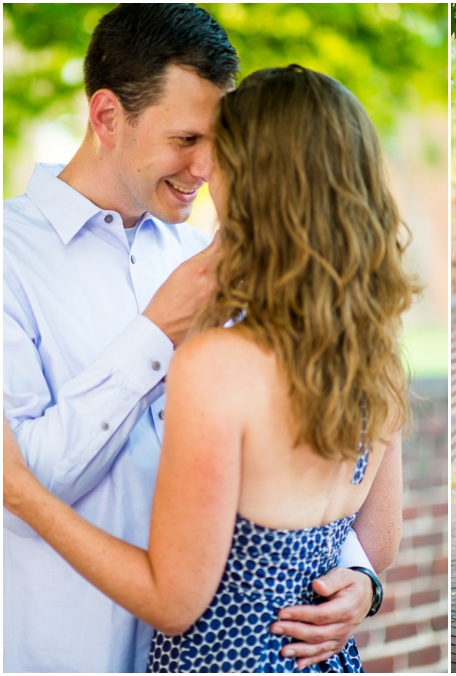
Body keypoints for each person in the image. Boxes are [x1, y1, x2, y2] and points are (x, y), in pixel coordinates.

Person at [3, 6, 385, 672]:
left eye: (221, 141)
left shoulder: (213, 255)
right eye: (186, 138)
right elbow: (17, 480)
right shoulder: (9, 258)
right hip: (74, 650)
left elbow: (297, 437)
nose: (207, 166)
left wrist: (357, 576)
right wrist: (155, 334)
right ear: (106, 118)